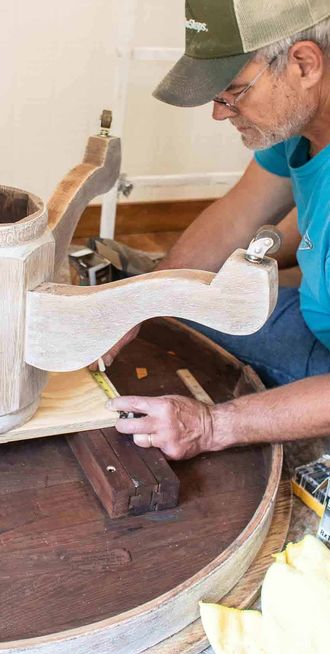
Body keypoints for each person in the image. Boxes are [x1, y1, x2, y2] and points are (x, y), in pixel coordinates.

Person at [102, 0, 330, 460]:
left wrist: (212, 425)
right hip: (315, 320)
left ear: (305, 64)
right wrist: (140, 302)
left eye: (231, 91)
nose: (219, 113)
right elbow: (237, 216)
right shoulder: (301, 127)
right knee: (170, 300)